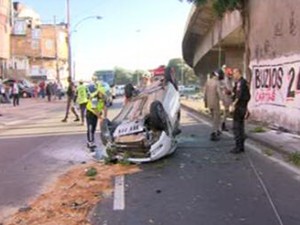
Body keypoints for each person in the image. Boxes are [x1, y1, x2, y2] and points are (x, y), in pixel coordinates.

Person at [230, 68, 251, 154]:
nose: (233, 76)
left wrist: (233, 105)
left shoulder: (240, 83)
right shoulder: (243, 82)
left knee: (237, 127)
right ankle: (241, 146)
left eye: (234, 74)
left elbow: (238, 95)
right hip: (243, 107)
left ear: (238, 73)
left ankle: (238, 147)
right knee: (241, 127)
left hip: (239, 107)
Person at [204, 71, 222, 141]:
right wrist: (223, 99)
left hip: (209, 102)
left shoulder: (208, 82)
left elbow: (205, 93)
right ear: (215, 76)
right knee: (216, 118)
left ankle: (216, 130)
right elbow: (219, 92)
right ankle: (214, 132)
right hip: (215, 102)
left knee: (213, 117)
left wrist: (205, 102)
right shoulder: (217, 82)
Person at [219, 65, 234, 131]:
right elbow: (227, 88)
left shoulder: (229, 79)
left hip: (229, 96)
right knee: (227, 111)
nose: (231, 76)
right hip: (226, 97)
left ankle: (224, 124)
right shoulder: (225, 79)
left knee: (228, 111)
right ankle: (223, 124)